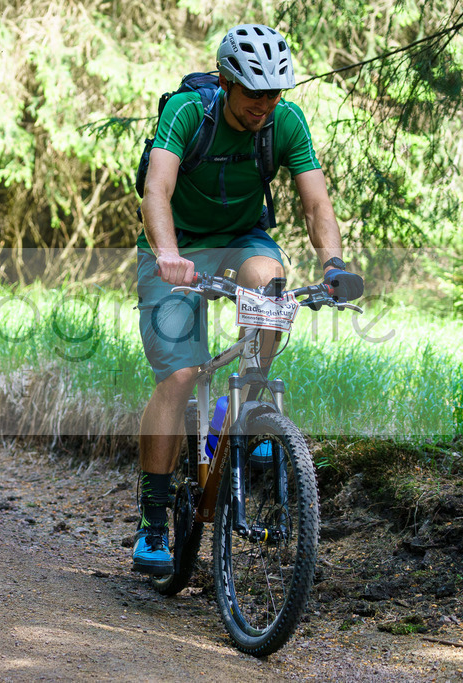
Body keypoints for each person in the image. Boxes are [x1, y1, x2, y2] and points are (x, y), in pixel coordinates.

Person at [133, 24, 364, 575]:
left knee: (271, 284)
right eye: (253, 93)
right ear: (225, 82)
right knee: (182, 374)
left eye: (273, 94)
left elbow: (316, 203)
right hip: (177, 245)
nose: (264, 105)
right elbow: (156, 189)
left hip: (242, 237)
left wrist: (334, 265)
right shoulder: (189, 112)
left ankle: (245, 408)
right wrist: (167, 254)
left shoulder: (284, 122)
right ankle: (154, 522)